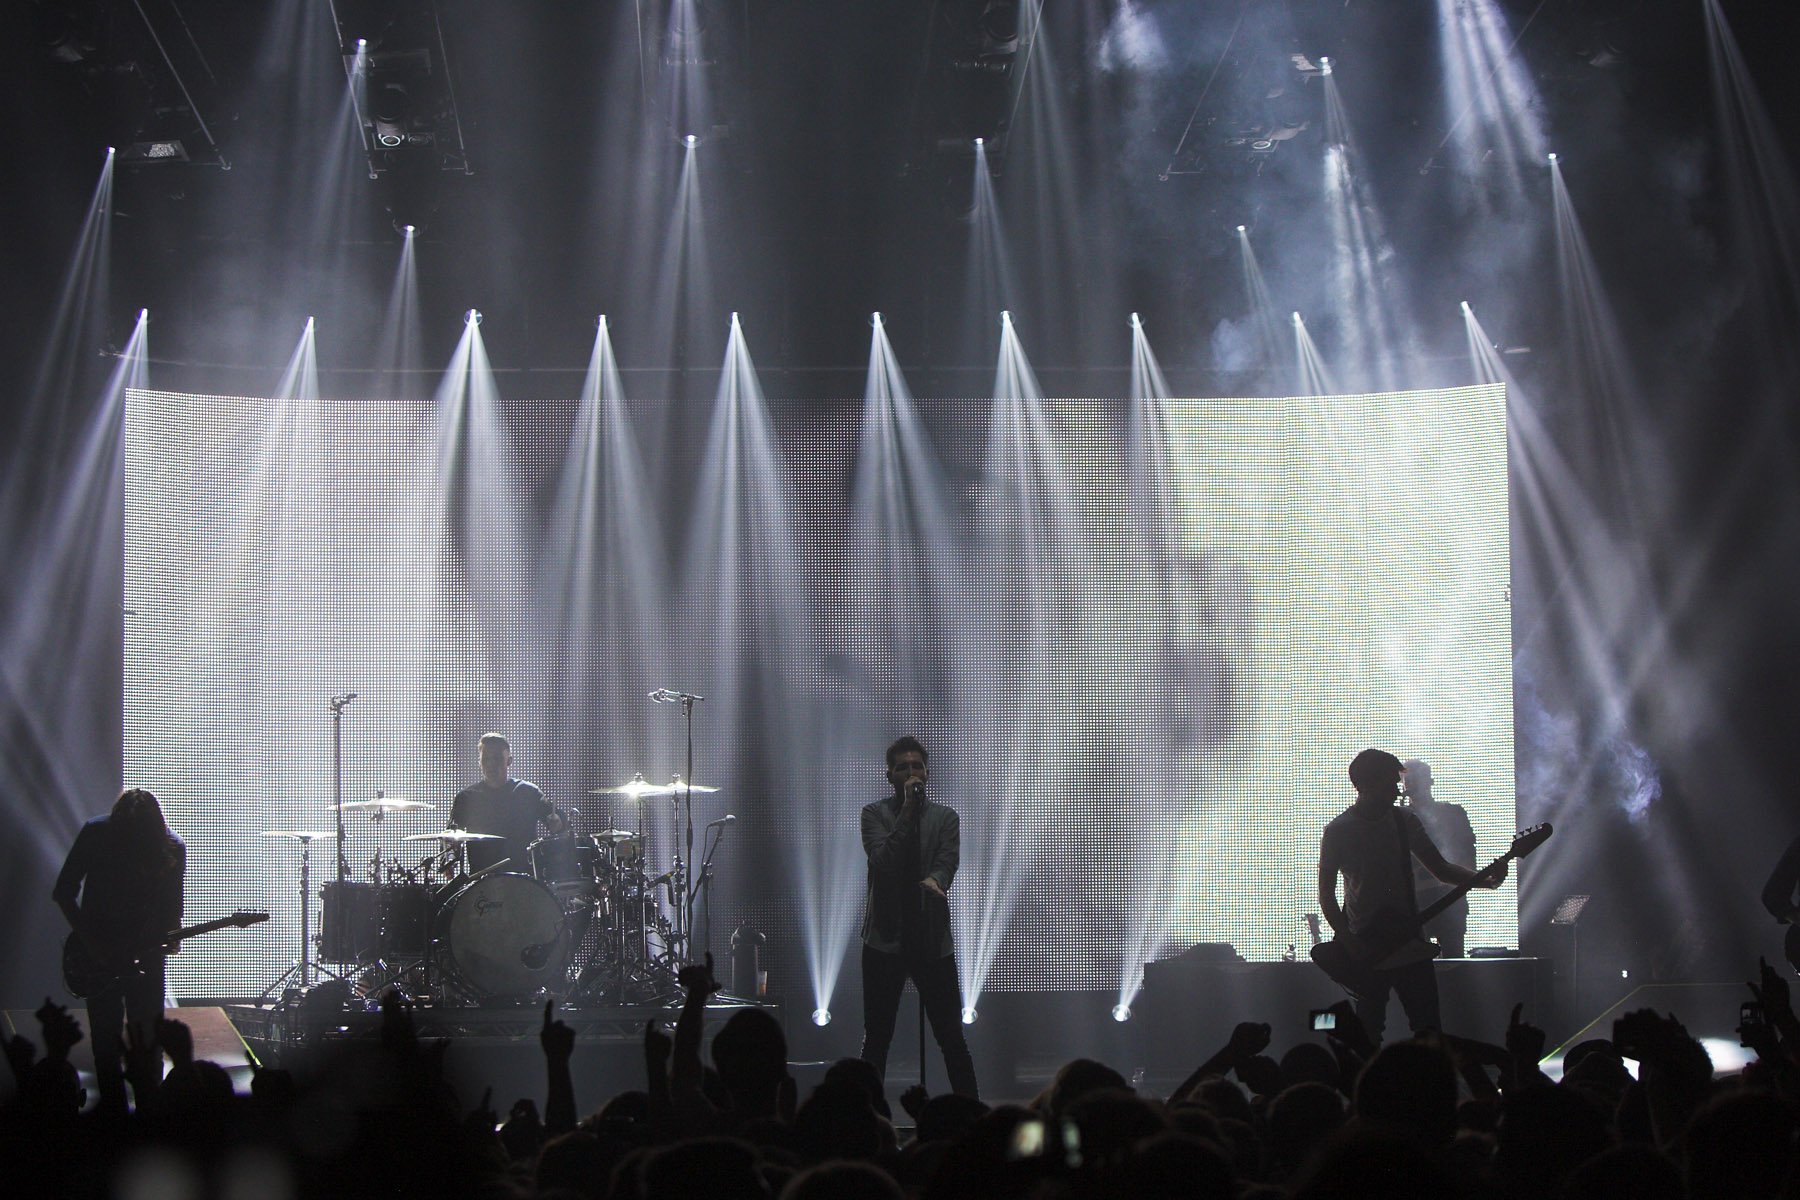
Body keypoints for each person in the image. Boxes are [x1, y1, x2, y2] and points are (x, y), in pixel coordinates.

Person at [1317, 748, 1504, 1041]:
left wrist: (1486, 882)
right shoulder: (1339, 831)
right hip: (1368, 945)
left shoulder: (1404, 820)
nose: (1397, 791)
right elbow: (1326, 896)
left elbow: (1441, 870)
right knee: (1374, 1031)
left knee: (1420, 1029)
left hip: (1407, 944)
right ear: (1365, 785)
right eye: (1390, 783)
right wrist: (1351, 943)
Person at [51, 787, 187, 1112]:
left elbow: (172, 907)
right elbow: (63, 892)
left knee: (145, 1041)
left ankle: (146, 1114)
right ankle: (118, 1116)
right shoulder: (96, 833)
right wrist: (93, 945)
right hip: (100, 955)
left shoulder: (172, 846)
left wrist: (173, 935)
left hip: (145, 955)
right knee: (107, 1041)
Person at [859, 735, 979, 1097]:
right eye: (902, 767)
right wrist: (908, 812)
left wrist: (936, 880)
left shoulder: (945, 818)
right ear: (890, 776)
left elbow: (947, 860)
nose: (911, 772)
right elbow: (883, 860)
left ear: (927, 773)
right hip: (885, 940)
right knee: (877, 1038)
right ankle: (866, 1114)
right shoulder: (873, 815)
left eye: (917, 766)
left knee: (951, 1037)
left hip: (931, 940)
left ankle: (971, 1113)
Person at [449, 733, 565, 875]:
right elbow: (450, 838)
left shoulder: (528, 792)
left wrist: (557, 822)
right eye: (486, 759)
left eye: (497, 758)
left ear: (509, 761)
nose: (491, 764)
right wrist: (449, 860)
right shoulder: (466, 798)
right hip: (481, 882)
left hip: (524, 880)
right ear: (479, 762)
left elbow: (558, 820)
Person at [1401, 759, 1476, 959]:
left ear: (1429, 781)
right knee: (1417, 961)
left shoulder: (1452, 813)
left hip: (1450, 897)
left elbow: (1467, 852)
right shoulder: (1400, 817)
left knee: (1453, 958)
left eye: (1417, 778)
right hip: (1415, 902)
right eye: (1408, 779)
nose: (1412, 783)